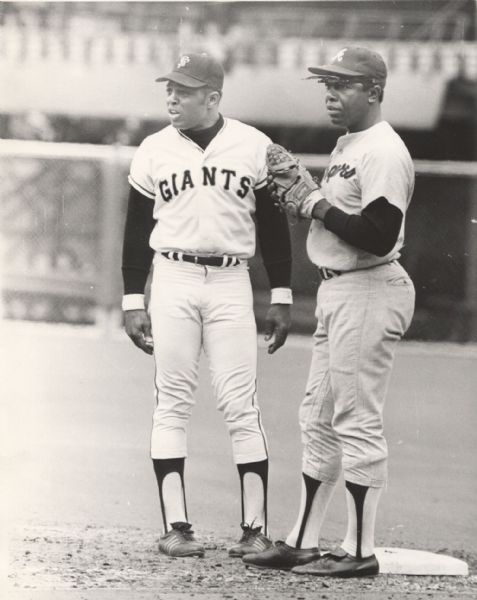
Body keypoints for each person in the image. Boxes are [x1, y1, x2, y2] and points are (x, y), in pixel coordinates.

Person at [243, 46, 415, 577]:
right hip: (341, 289)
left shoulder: (382, 150)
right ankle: (302, 540)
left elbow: (379, 234)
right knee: (316, 416)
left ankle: (360, 551)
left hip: (369, 287)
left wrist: (316, 203)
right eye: (327, 84)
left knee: (355, 418)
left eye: (343, 85)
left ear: (375, 92)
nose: (331, 94)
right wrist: (313, 206)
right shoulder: (351, 145)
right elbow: (344, 223)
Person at [121, 52, 292, 559]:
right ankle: (176, 525)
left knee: (241, 403)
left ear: (213, 97)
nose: (171, 97)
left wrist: (281, 292)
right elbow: (136, 230)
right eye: (169, 88)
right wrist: (134, 298)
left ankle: (254, 528)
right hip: (171, 276)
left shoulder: (253, 145)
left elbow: (274, 228)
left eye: (184, 90)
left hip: (230, 281)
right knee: (172, 400)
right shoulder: (153, 149)